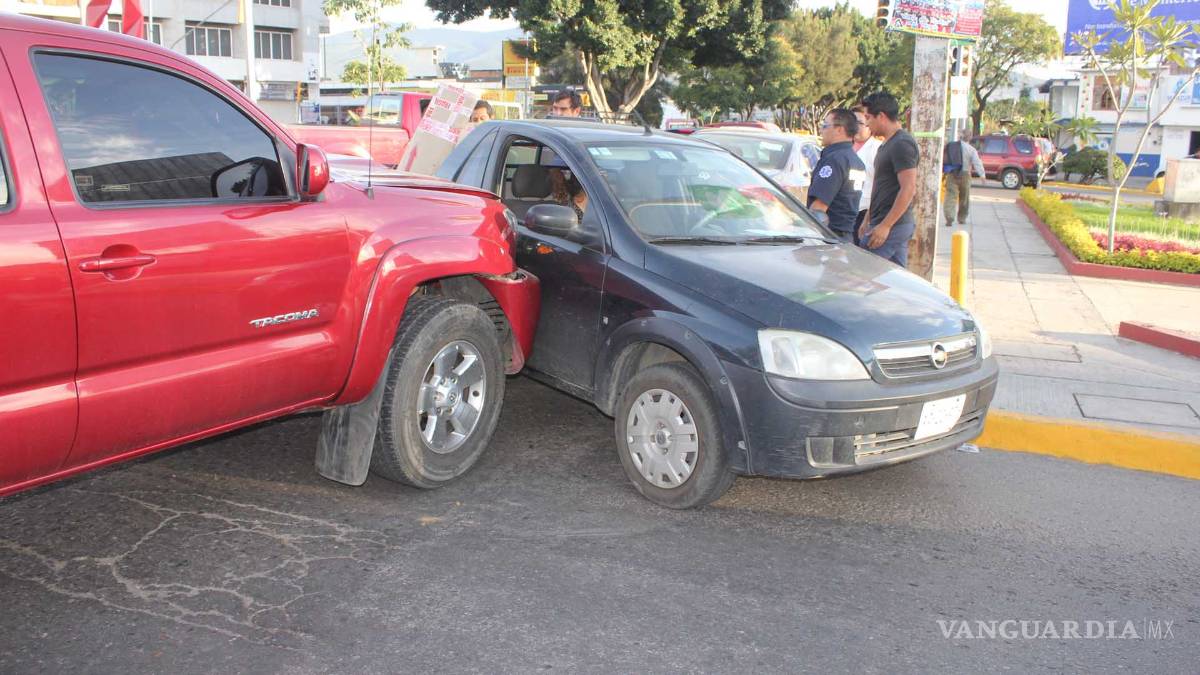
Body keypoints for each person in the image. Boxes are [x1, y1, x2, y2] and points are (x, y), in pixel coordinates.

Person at [858, 91, 919, 266]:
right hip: (881, 221)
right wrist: (868, 218)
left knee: (863, 271)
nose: (867, 123)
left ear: (882, 116)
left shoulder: (902, 144)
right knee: (896, 282)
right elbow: (881, 187)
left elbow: (908, 188)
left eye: (869, 118)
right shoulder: (886, 144)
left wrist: (886, 225)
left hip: (893, 224)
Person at [807, 108, 866, 243]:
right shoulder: (856, 161)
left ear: (839, 129)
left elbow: (819, 209)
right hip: (846, 236)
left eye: (825, 126)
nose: (821, 130)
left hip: (828, 237)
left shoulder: (834, 160)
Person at [942, 131, 986, 227]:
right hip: (965, 175)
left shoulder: (951, 146)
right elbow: (977, 162)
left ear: (960, 137)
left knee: (950, 196)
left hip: (952, 173)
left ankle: (949, 217)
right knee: (964, 197)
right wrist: (982, 175)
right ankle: (962, 218)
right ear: (970, 138)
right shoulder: (971, 150)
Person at [852, 105, 882, 236]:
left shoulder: (876, 149)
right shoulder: (844, 147)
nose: (854, 126)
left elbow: (880, 184)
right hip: (846, 211)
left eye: (859, 123)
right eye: (851, 122)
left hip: (865, 212)